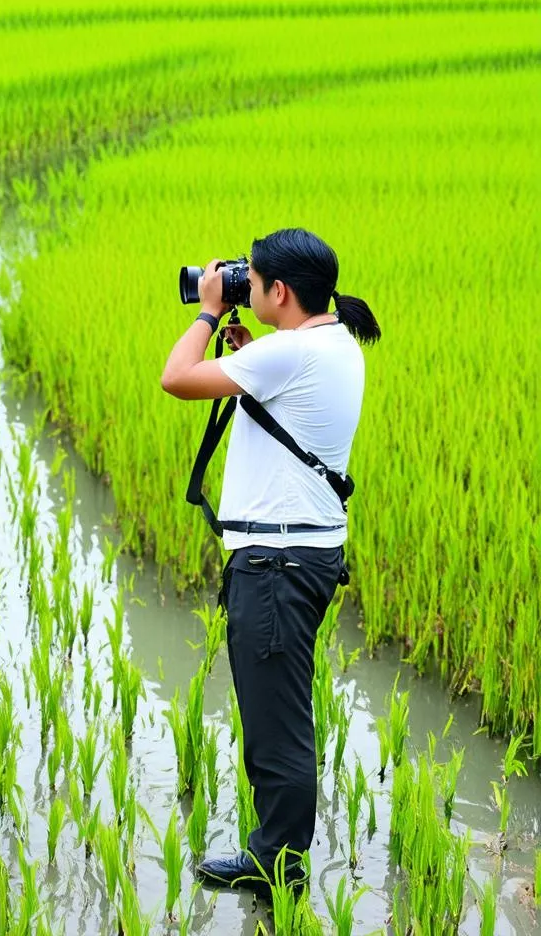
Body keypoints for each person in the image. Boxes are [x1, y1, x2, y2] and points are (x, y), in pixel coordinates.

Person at [160, 227, 381, 893]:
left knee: (275, 728)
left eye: (246, 281)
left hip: (279, 565)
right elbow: (291, 401)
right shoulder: (328, 342)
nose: (238, 288)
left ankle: (277, 867)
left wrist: (204, 311)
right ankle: (277, 853)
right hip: (293, 559)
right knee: (277, 713)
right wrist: (253, 355)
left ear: (279, 292)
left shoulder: (290, 353)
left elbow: (176, 378)